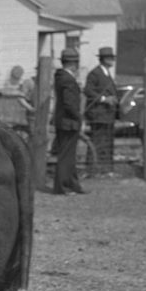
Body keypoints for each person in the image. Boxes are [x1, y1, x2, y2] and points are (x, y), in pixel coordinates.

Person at [52, 47, 86, 195]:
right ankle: (62, 187)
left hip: (65, 121)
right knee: (66, 155)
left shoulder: (62, 77)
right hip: (69, 122)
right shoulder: (68, 79)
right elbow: (69, 104)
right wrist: (79, 117)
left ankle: (73, 184)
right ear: (74, 64)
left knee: (69, 155)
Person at [83, 46, 119, 175]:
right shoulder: (95, 73)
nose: (112, 60)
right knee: (97, 141)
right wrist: (104, 99)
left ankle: (106, 169)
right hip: (98, 113)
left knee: (107, 142)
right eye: (110, 58)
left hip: (108, 114)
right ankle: (93, 168)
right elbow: (87, 90)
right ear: (103, 59)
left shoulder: (107, 73)